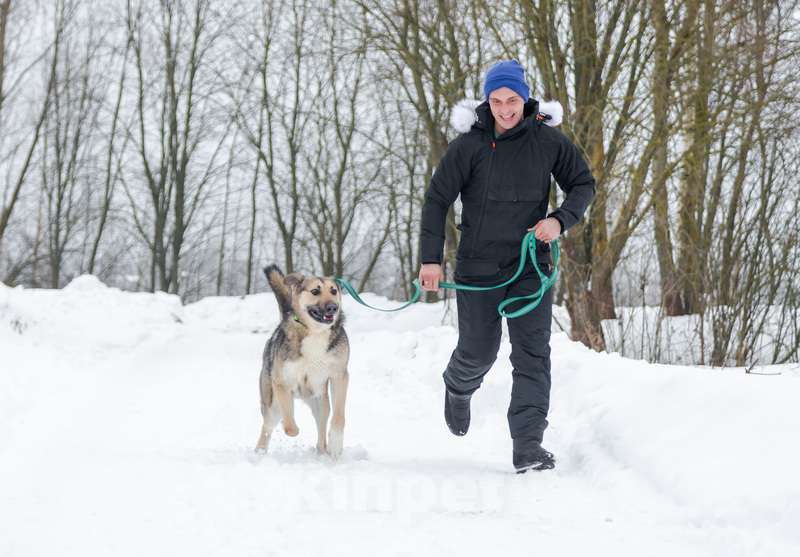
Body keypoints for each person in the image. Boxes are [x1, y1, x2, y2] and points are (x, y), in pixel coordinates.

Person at [418, 59, 596, 473]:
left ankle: (528, 446)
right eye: (496, 101)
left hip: (530, 265)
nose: (504, 109)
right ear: (487, 102)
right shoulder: (469, 146)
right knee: (479, 351)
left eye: (512, 100)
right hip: (478, 267)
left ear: (525, 97)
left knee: (532, 354)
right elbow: (437, 199)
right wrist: (431, 259)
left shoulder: (548, 141)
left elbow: (583, 184)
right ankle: (458, 386)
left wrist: (558, 220)